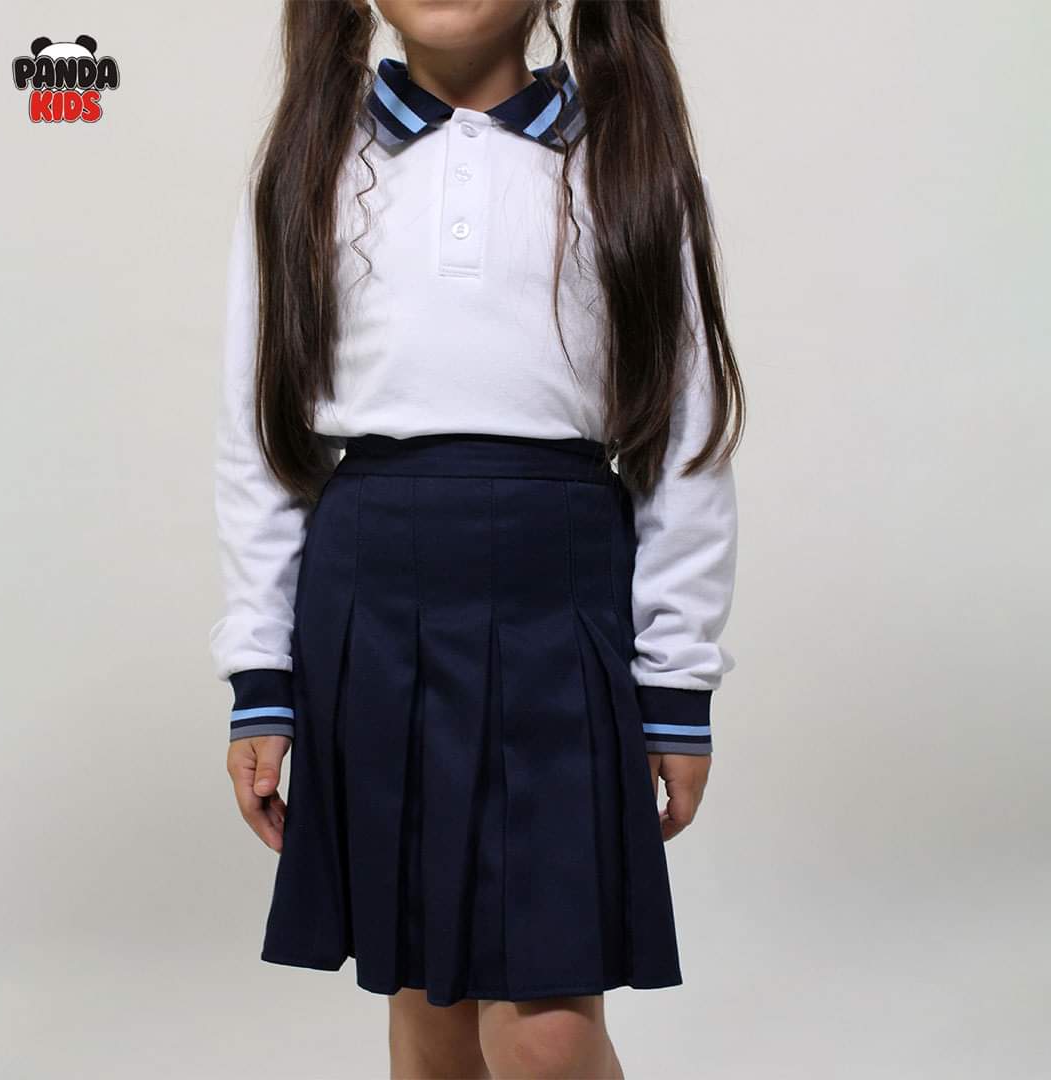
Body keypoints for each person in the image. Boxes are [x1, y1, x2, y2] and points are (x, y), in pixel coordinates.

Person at [210, 1, 743, 1076]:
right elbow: (257, 440)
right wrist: (261, 677)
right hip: (372, 606)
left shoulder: (628, 160)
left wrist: (676, 685)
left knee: (546, 1031)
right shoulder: (310, 164)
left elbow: (685, 437)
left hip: (561, 604)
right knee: (430, 999)